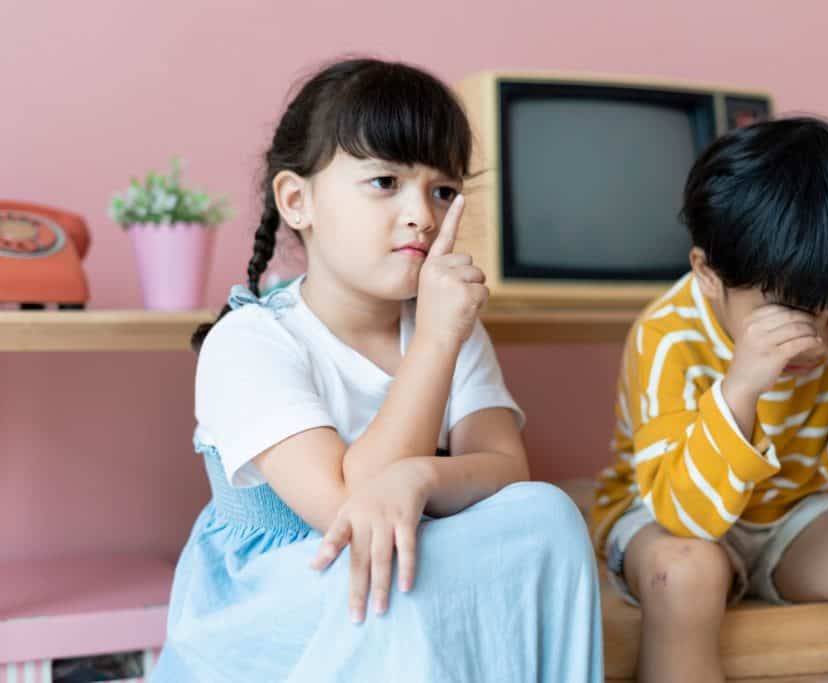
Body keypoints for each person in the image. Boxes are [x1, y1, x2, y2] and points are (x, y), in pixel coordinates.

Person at [152, 58, 603, 683]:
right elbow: (347, 508)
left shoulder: (446, 322)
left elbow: (507, 472)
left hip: (399, 560)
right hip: (288, 592)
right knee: (397, 567)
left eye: (442, 191)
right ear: (297, 200)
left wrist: (418, 478)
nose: (422, 214)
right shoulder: (252, 341)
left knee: (546, 513)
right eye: (385, 182)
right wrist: (439, 337)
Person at [590, 117, 828, 682]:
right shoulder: (667, 334)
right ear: (707, 274)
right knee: (687, 573)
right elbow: (687, 516)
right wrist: (740, 389)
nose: (817, 340)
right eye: (790, 312)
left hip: (791, 513)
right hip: (663, 514)